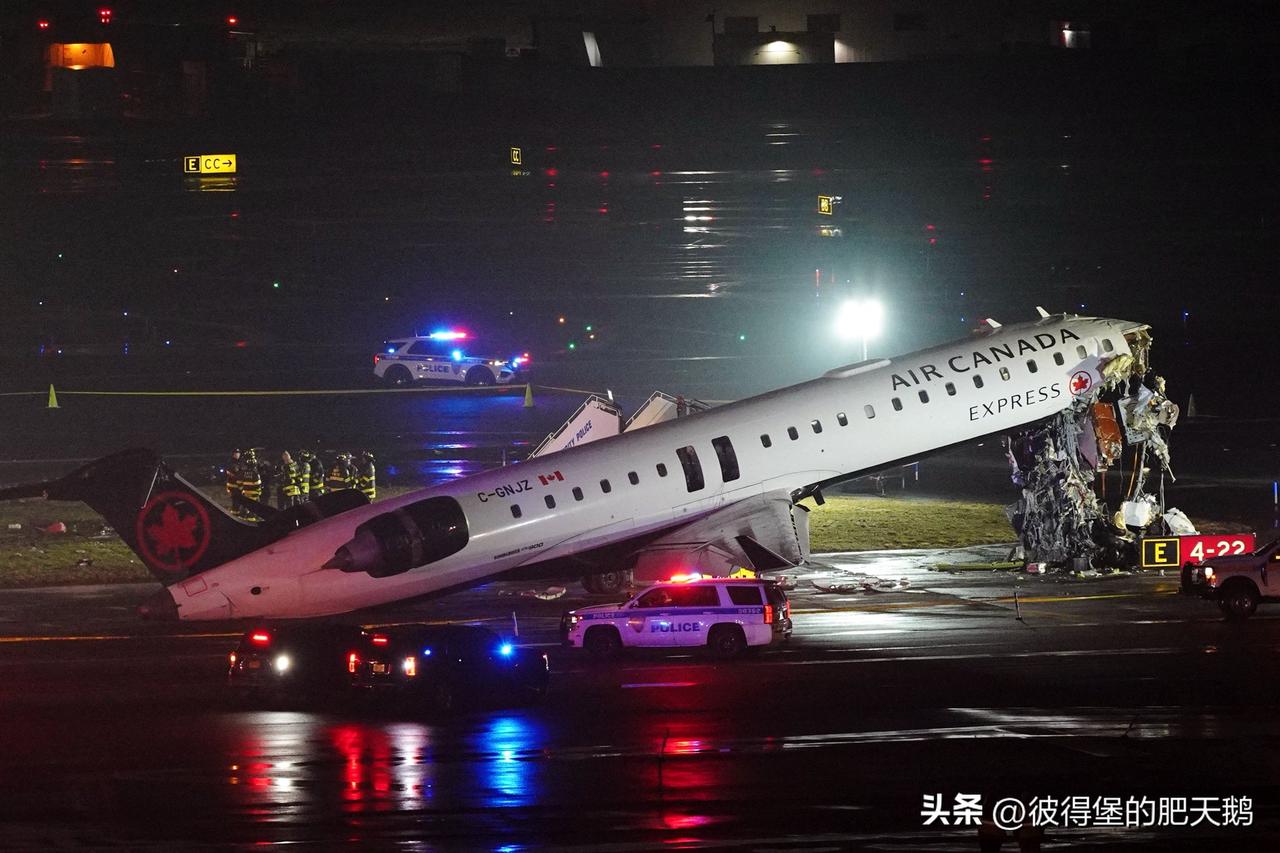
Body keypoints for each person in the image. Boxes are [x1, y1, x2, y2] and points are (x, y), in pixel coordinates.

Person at [237, 449, 263, 521]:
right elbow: (258, 483)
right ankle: (251, 518)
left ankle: (242, 516)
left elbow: (239, 482)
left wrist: (242, 489)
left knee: (245, 505)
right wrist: (259, 492)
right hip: (254, 493)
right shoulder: (255, 473)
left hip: (245, 492)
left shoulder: (243, 472)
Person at [225, 448, 244, 516]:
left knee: (239, 500)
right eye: (236, 453)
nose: (237, 454)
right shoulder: (230, 462)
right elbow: (228, 472)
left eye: (238, 453)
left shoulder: (241, 462)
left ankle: (237, 512)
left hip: (239, 485)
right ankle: (235, 514)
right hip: (233, 485)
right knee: (235, 500)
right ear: (233, 454)